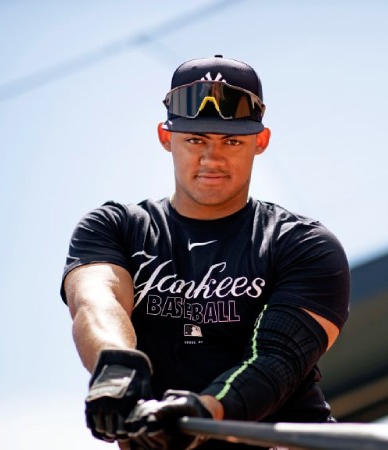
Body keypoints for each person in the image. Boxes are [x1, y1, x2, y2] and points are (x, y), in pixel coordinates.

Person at [60, 55, 351, 450]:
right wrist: (115, 366)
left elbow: (277, 361)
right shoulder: (115, 227)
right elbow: (96, 300)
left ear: (260, 142)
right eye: (195, 139)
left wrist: (200, 413)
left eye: (231, 141)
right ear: (165, 137)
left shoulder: (301, 243)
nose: (212, 158)